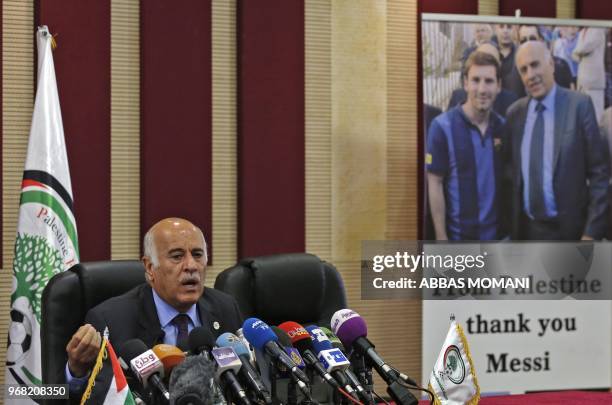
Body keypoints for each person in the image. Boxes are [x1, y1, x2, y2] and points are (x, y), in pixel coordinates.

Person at [64, 218, 244, 399]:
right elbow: (90, 396)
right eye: (177, 256)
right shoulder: (110, 321)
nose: (191, 266)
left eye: (197, 254)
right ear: (150, 267)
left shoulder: (225, 308)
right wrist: (77, 373)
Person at [504, 41, 609, 240]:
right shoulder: (514, 114)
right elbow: (509, 174)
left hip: (571, 234)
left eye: (535, 65)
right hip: (526, 233)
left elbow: (599, 174)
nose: (530, 75)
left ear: (551, 64)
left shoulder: (579, 106)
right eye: (523, 70)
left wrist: (590, 233)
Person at [427, 51, 505, 240]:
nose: (482, 89)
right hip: (459, 242)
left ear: (499, 86)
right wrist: (441, 237)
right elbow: (434, 182)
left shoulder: (504, 127)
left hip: (500, 241)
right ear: (465, 83)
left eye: (489, 81)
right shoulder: (441, 127)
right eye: (475, 80)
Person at [447, 43, 518, 117]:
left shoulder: (510, 100)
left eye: (491, 61)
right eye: (480, 59)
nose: (482, 90)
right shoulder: (458, 96)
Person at [518, 25, 574, 92]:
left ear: (541, 40)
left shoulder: (561, 65)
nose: (528, 44)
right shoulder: (516, 71)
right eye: (523, 41)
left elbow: (570, 96)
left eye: (532, 39)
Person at [573, 27, 607, 122]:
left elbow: (585, 47)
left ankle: (597, 136)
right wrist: (577, 53)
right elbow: (575, 56)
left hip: (594, 81)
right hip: (582, 81)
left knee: (596, 115)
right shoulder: (582, 32)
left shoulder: (598, 29)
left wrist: (576, 52)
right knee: (583, 114)